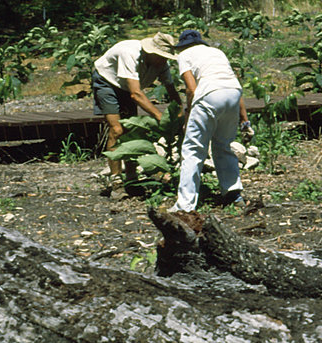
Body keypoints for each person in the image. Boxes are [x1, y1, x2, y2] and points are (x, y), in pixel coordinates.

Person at [171, 29, 249, 213]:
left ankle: (185, 205)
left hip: (209, 95)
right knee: (223, 144)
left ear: (182, 45)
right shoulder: (217, 52)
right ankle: (233, 194)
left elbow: (191, 89)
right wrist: (244, 119)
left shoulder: (184, 55)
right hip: (233, 93)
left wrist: (188, 116)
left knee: (193, 149)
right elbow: (233, 81)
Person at [92, 32, 182, 192]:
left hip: (127, 87)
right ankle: (116, 180)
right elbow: (136, 94)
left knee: (132, 130)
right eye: (161, 56)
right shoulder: (130, 53)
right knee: (117, 129)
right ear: (151, 52)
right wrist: (160, 117)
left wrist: (181, 116)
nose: (164, 60)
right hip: (107, 82)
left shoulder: (162, 64)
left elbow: (172, 91)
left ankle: (132, 178)